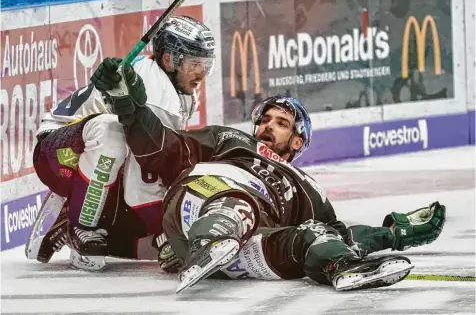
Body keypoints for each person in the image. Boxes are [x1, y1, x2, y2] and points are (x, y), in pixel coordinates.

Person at [95, 58, 446, 292]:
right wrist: (130, 108)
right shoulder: (229, 140)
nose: (266, 126)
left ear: (297, 141)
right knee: (238, 203)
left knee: (313, 235)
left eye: (280, 123)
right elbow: (164, 149)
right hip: (201, 200)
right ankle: (207, 241)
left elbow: (341, 232)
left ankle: (343, 270)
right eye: (264, 119)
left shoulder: (310, 191)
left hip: (243, 254)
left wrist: (393, 232)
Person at [25, 15, 216, 271]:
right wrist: (166, 228)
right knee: (111, 131)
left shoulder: (178, 90)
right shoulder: (159, 95)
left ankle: (75, 209)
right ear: (170, 59)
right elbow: (143, 179)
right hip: (57, 155)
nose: (201, 74)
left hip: (86, 156)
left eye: (206, 65)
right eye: (194, 64)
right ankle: (83, 225)